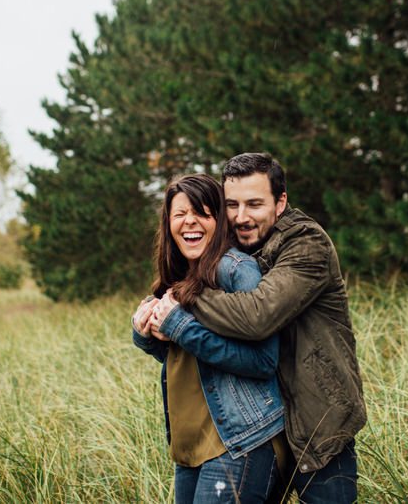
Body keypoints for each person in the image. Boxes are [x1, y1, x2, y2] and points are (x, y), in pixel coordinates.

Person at [151, 153, 366, 503]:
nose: (241, 217)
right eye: (231, 204)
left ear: (280, 202)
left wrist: (181, 299)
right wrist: (154, 316)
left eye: (254, 204)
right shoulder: (233, 243)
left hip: (317, 419)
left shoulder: (307, 244)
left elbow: (258, 315)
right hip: (262, 422)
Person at [132, 174, 288, 503]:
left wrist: (180, 327)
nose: (190, 221)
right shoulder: (180, 277)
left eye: (203, 212)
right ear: (168, 223)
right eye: (180, 214)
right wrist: (146, 334)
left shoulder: (236, 270)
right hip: (190, 451)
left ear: (219, 221)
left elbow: (263, 361)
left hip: (239, 441)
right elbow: (187, 361)